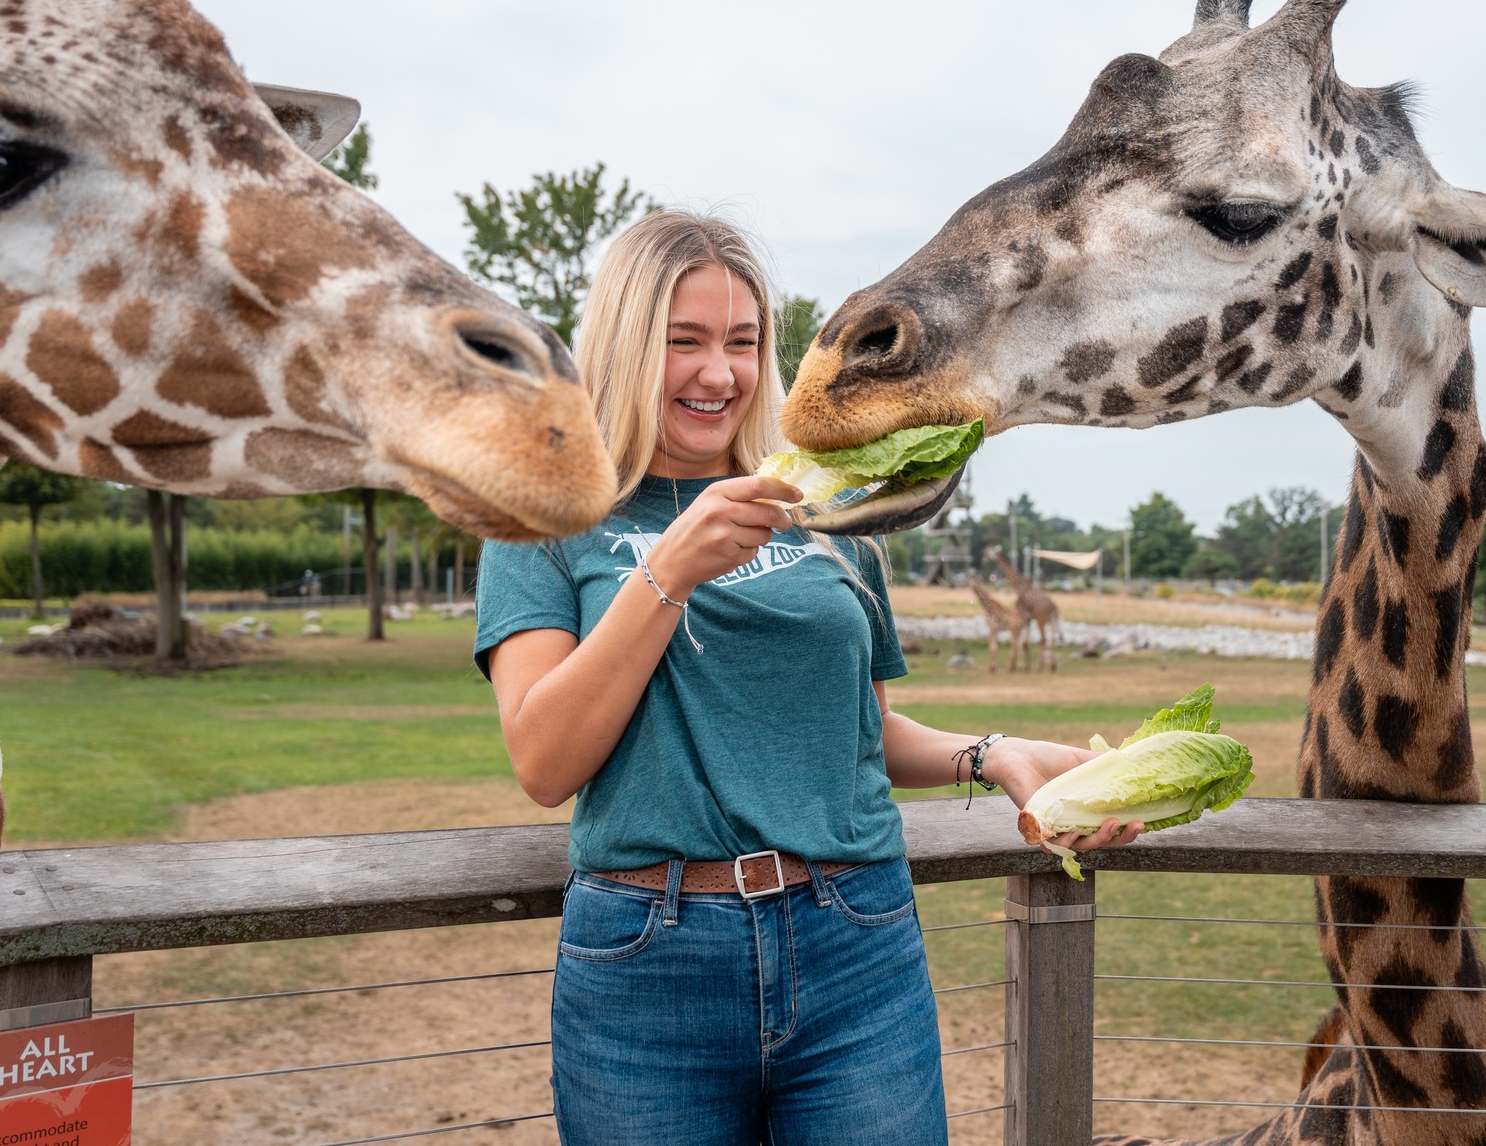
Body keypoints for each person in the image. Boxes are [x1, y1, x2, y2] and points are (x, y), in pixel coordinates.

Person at [474, 211, 1140, 1145]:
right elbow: (544, 762)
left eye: (743, 343)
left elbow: (860, 733)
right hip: (647, 967)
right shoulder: (549, 514)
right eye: (686, 342)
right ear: (627, 347)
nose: (722, 373)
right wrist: (666, 572)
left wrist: (994, 753)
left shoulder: (823, 510)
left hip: (856, 944)